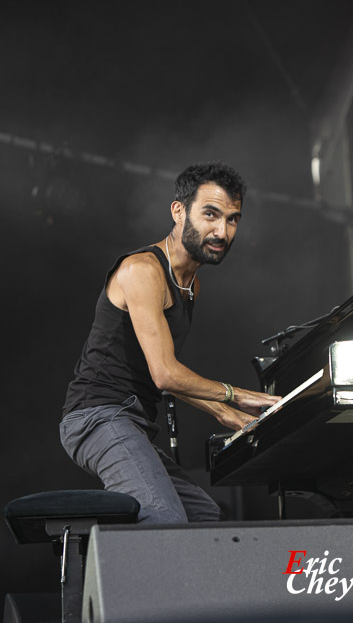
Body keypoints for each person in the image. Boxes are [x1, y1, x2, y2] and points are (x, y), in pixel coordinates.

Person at [60, 162, 281, 523]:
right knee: (163, 520)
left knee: (204, 517)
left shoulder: (191, 283)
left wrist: (225, 414)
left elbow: (161, 368)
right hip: (96, 417)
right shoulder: (143, 271)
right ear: (178, 211)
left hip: (131, 422)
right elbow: (165, 374)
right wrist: (237, 395)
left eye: (232, 219)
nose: (221, 231)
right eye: (210, 214)